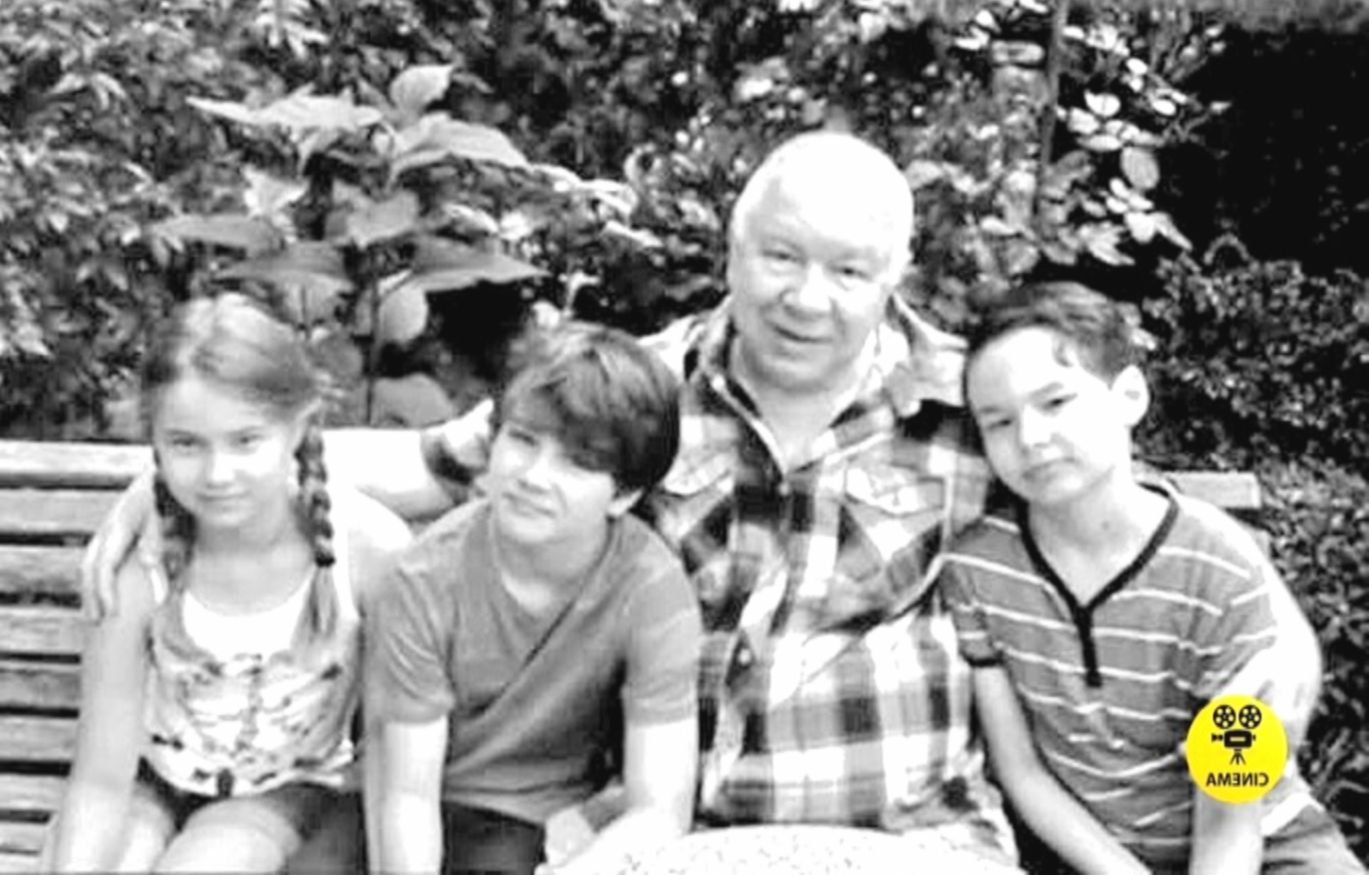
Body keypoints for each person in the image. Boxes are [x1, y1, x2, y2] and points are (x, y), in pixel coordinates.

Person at [78, 131, 1325, 865]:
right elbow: (425, 465)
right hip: (684, 834)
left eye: (848, 270)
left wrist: (1234, 791)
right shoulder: (628, 395)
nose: (807, 297)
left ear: (896, 276)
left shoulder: (983, 409)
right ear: (731, 247)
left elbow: (1239, 614)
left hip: (911, 842)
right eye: (779, 256)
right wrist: (173, 482)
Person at [938, 281, 1364, 874]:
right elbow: (1023, 772)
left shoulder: (1218, 566)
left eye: (1056, 402)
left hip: (1261, 842)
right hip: (1087, 853)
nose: (1030, 438)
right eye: (999, 422)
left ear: (1130, 396)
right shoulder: (978, 570)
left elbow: (1232, 801)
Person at [43, 294, 410, 871]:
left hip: (283, 791)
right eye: (186, 444)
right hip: (144, 782)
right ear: (154, 440)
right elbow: (100, 781)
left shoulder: (367, 551)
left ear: (298, 427)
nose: (218, 474)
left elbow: (392, 748)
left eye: (246, 441)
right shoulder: (140, 562)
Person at [365, 320, 702, 875]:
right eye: (523, 440)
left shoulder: (652, 590)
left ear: (623, 495)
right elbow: (405, 795)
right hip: (416, 795)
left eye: (579, 462)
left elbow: (660, 809)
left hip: (539, 817)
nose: (536, 477)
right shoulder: (426, 577)